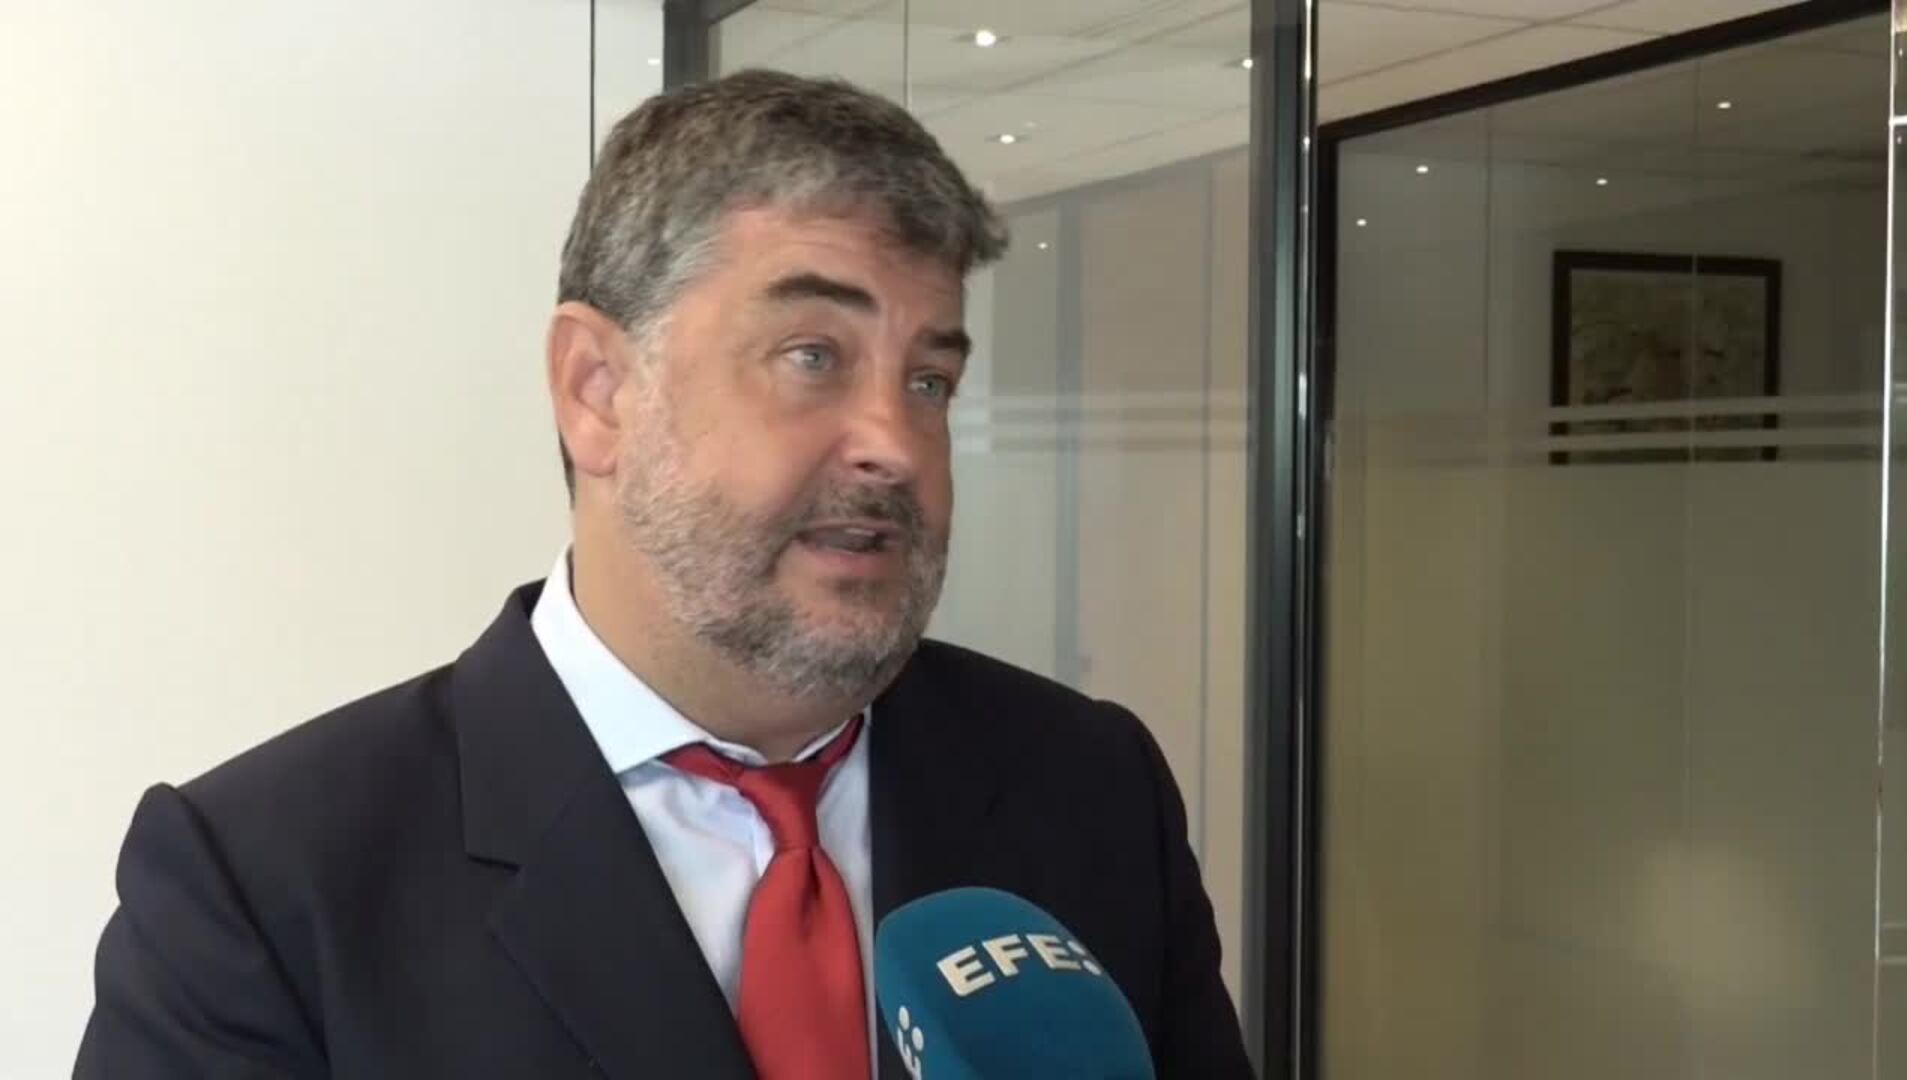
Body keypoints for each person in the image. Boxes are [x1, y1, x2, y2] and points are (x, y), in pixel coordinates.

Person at [76, 70, 1254, 1080]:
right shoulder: (265, 888)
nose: (896, 444)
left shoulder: (1090, 788)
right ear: (597, 391)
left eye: (930, 380)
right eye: (813, 356)